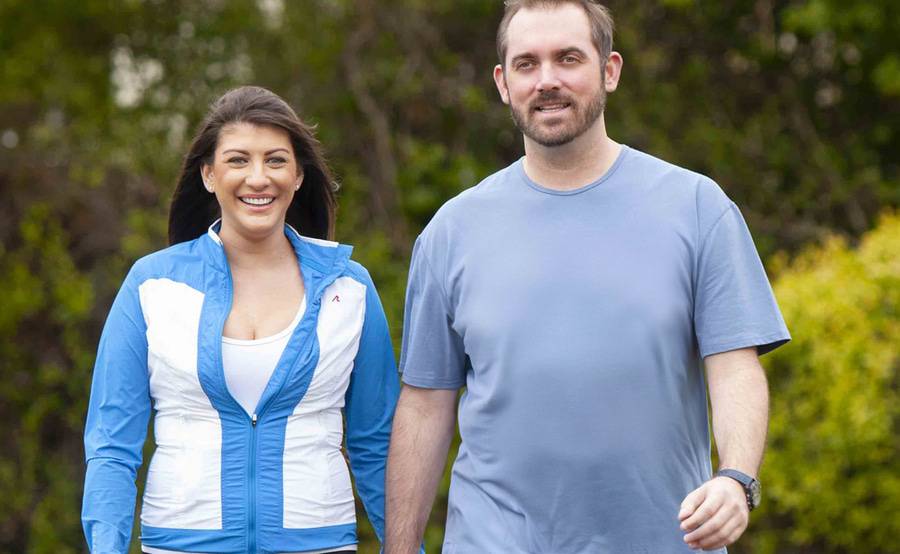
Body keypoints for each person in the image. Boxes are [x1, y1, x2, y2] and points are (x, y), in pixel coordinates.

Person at [385, 1, 790, 553]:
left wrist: (737, 478)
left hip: (665, 541)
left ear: (610, 69)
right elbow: (425, 405)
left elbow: (734, 367)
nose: (547, 80)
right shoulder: (451, 231)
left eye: (568, 58)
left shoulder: (697, 207)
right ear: (503, 83)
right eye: (527, 64)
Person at [82, 86, 398, 554]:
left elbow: (378, 447)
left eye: (275, 160)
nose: (258, 178)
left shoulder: (349, 289)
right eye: (237, 160)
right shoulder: (151, 286)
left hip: (319, 543)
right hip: (180, 543)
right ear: (209, 175)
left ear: (298, 176)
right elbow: (112, 447)